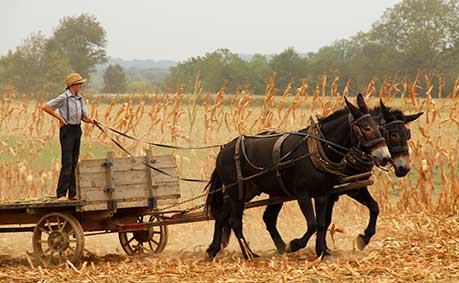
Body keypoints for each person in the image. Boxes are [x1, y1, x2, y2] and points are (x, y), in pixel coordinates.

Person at [42, 73, 96, 200]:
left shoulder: (80, 98)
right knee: (67, 162)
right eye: (79, 84)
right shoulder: (64, 98)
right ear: (73, 86)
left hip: (77, 129)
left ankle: (73, 194)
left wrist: (90, 120)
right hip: (67, 130)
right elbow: (46, 107)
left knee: (74, 162)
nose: (81, 86)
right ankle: (61, 194)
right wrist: (60, 118)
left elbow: (83, 116)